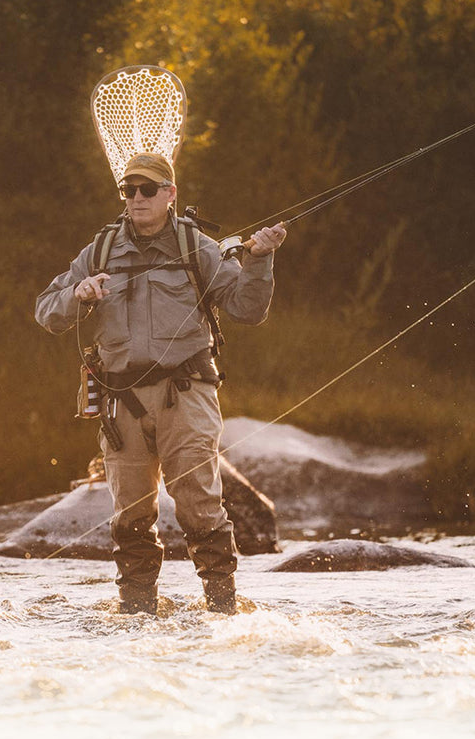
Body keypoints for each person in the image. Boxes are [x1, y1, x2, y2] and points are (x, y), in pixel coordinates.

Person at [35, 152, 287, 615]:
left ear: (170, 194)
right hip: (120, 404)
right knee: (129, 516)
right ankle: (136, 617)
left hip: (186, 395)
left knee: (199, 506)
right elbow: (45, 309)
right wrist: (77, 294)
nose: (136, 198)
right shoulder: (101, 250)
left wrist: (260, 260)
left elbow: (248, 309)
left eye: (147, 190)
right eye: (128, 190)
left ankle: (222, 611)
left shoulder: (199, 248)